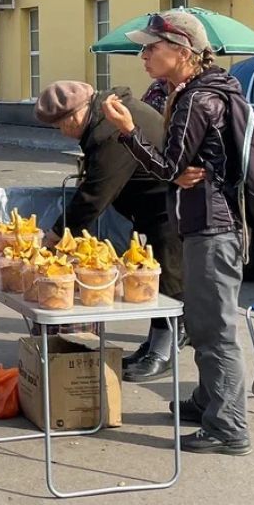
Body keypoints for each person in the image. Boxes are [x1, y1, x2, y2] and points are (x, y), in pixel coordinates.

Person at [102, 9, 252, 456]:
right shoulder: (201, 91)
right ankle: (207, 402)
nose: (143, 54)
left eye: (152, 47)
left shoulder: (197, 100)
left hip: (213, 226)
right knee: (205, 322)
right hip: (211, 223)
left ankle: (228, 428)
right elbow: (180, 169)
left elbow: (168, 168)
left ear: (182, 51)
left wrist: (128, 132)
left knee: (214, 329)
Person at [35, 81, 185, 382]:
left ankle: (164, 349)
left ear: (75, 117)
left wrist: (57, 235)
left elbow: (95, 195)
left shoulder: (110, 128)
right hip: (157, 205)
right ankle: (159, 342)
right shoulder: (104, 116)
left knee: (170, 280)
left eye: (60, 126)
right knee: (163, 275)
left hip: (170, 206)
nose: (61, 133)